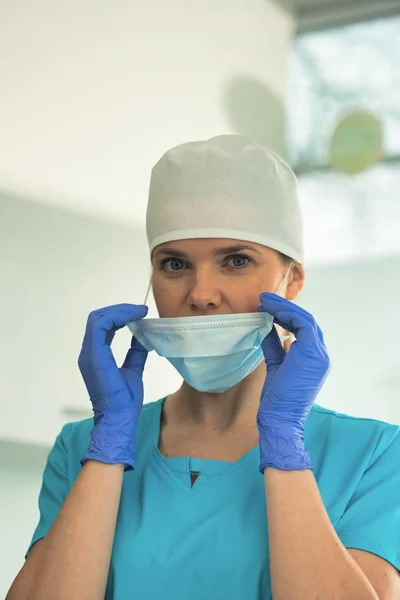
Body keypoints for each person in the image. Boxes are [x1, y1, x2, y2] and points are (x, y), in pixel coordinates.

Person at [6, 135, 400, 600]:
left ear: (292, 280)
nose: (201, 293)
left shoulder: (373, 454)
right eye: (174, 264)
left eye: (236, 260)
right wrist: (110, 444)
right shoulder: (80, 449)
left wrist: (282, 439)